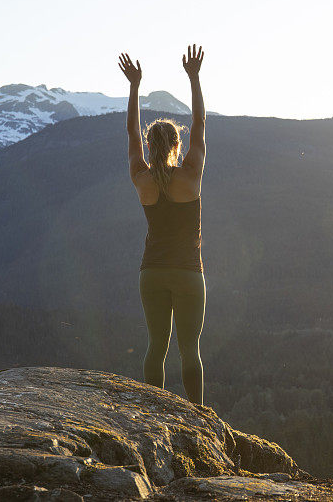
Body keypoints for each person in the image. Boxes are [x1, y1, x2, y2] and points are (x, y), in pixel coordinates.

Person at [118, 45, 207, 404]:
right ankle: (198, 416)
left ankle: (155, 415)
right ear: (177, 144)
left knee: (156, 346)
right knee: (190, 350)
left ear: (150, 145)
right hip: (188, 273)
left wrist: (135, 87)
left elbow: (131, 136)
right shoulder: (191, 174)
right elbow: (201, 124)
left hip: (151, 271)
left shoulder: (141, 178)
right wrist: (194, 77)